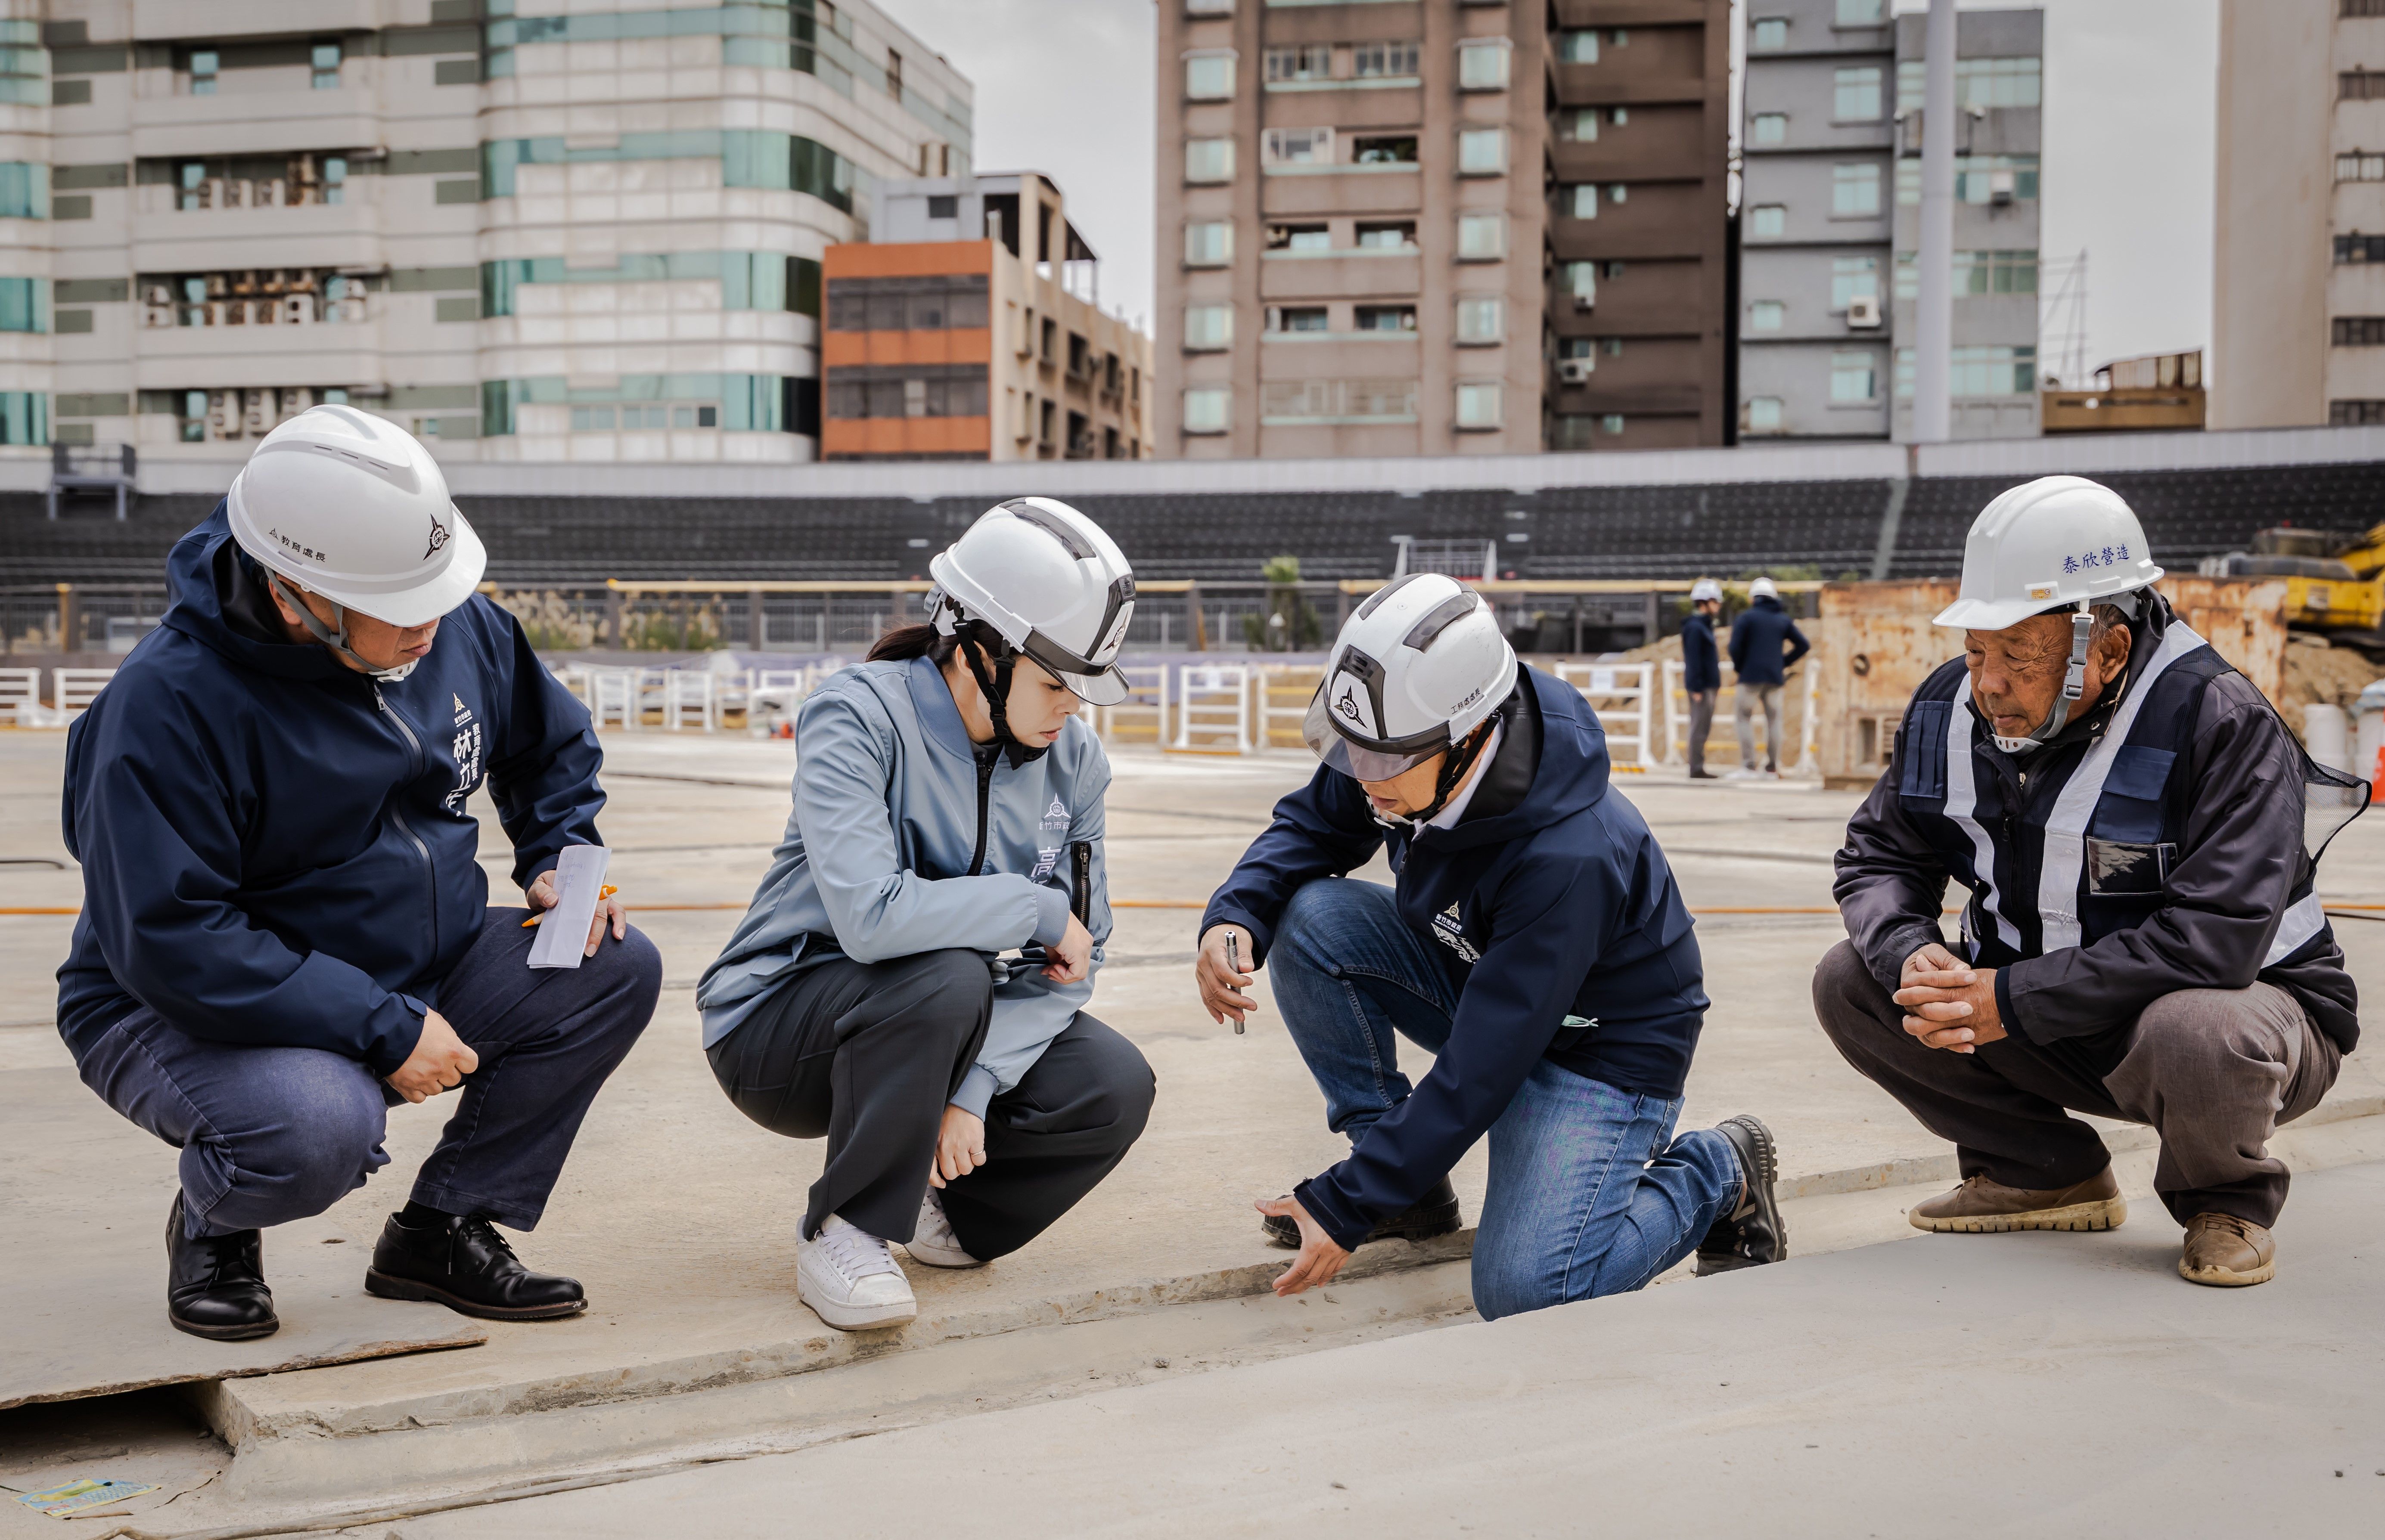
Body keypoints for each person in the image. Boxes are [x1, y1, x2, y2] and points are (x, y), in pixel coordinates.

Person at [58, 407, 659, 1342]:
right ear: (296, 592)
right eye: (402, 607)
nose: (433, 623)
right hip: (174, 1004)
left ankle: (441, 1230)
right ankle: (220, 1221)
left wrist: (556, 854)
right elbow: (175, 941)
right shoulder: (165, 710)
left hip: (409, 962)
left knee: (612, 969)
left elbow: (551, 744)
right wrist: (382, 1028)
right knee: (317, 1125)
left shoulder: (442, 620)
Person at [1192, 573, 1785, 1321]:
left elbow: (1482, 1066)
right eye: (1351, 750)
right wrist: (1235, 911)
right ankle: (1402, 1184)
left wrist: (1343, 1204)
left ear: (1469, 737)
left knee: (1529, 1293)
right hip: (1482, 975)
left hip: (1602, 1052)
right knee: (1309, 916)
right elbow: (1312, 826)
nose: (1358, 775)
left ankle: (1716, 1168)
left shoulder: (1569, 857)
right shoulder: (1402, 733)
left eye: (1379, 760)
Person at [1820, 475, 2364, 1288]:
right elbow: (1880, 857)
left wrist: (2005, 1000)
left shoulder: (2216, 719)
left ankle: (2225, 1197)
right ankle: (2040, 1169)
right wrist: (1906, 951)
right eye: (1974, 649)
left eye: (2016, 656)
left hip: (2234, 1021)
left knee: (2199, 1030)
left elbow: (2213, 942)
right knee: (1852, 979)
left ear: (2106, 650)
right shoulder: (1949, 710)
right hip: (2046, 1015)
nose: (1987, 682)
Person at [700, 498, 1155, 1332]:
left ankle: (951, 1221)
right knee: (943, 973)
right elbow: (873, 919)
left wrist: (975, 1091)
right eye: (1056, 684)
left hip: (942, 1028)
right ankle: (846, 1229)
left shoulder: (1076, 764)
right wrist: (1031, 909)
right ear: (981, 652)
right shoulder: (856, 716)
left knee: (1113, 1082)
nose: (1072, 711)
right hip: (779, 1027)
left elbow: (1081, 957)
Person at [1727, 575, 1810, 778]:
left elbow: (1734, 648)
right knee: (1774, 720)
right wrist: (1783, 662)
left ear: (1753, 598)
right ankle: (1772, 767)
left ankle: (1748, 766)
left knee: (1744, 717)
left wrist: (1741, 667)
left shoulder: (1746, 618)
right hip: (1774, 678)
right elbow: (1803, 645)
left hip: (1750, 677)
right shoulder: (1782, 619)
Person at [1681, 578, 1724, 780]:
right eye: (1716, 601)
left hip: (1707, 685)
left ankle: (1698, 766)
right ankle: (1696, 767)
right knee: (1699, 727)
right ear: (1705, 602)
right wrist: (1696, 687)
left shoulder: (1703, 627)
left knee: (1702, 726)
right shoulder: (1696, 628)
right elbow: (1694, 659)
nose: (1719, 606)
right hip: (1702, 686)